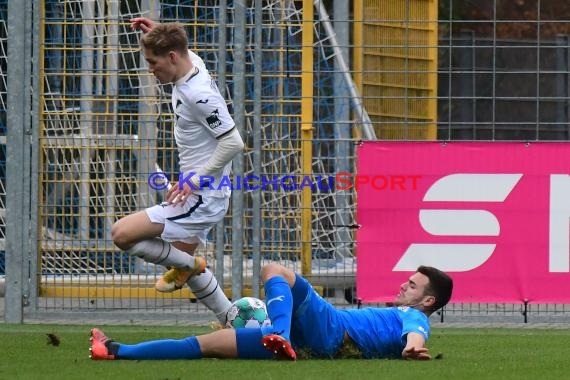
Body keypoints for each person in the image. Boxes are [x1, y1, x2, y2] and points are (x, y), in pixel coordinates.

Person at [110, 18, 244, 324]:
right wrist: (158, 31)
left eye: (152, 62)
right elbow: (181, 47)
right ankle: (231, 321)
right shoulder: (189, 62)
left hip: (201, 196)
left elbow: (234, 142)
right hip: (202, 193)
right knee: (183, 262)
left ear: (171, 58)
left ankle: (190, 265)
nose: (149, 69)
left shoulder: (198, 95)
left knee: (122, 235)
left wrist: (195, 180)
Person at [89, 263, 453, 361]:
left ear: (427, 302)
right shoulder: (402, 312)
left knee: (273, 270)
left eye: (413, 286)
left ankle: (278, 332)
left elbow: (415, 333)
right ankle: (118, 350)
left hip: (331, 326)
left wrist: (412, 347)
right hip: (314, 344)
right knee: (207, 344)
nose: (404, 287)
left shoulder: (414, 316)